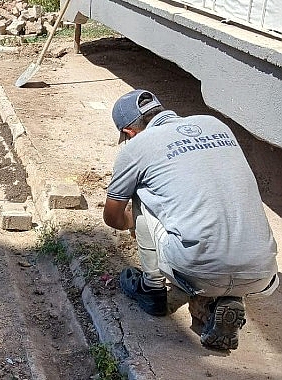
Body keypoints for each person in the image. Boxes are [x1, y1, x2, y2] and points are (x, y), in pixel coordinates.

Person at [103, 89, 279, 350]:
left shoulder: (138, 147)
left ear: (130, 132)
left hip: (195, 267)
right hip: (263, 273)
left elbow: (112, 217)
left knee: (141, 192)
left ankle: (152, 290)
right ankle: (219, 302)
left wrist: (136, 224)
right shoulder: (215, 124)